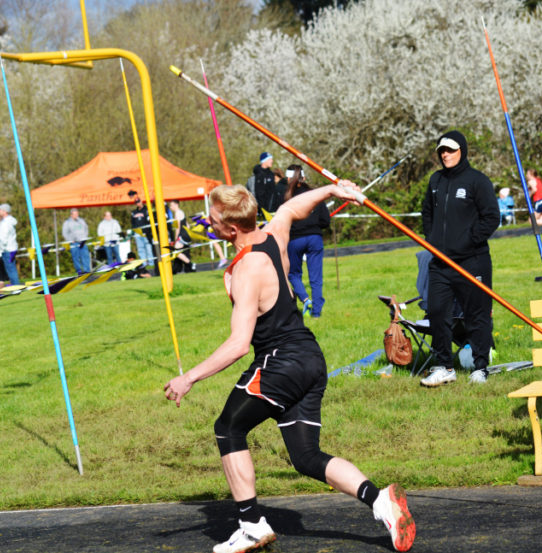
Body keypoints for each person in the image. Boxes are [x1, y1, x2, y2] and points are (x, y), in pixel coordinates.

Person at [163, 184, 415, 553]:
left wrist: (189, 377)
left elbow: (238, 344)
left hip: (281, 361)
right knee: (306, 457)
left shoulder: (248, 268)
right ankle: (381, 502)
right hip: (311, 358)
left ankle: (251, 525)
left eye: (212, 220)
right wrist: (333, 188)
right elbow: (292, 208)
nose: (208, 223)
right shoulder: (272, 234)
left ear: (230, 230)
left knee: (228, 427)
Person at [420, 131, 500, 387]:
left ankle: (480, 367)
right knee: (437, 312)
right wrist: (432, 241)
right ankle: (444, 366)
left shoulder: (478, 181)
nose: (446, 154)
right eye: (442, 151)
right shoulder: (435, 180)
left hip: (472, 261)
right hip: (441, 264)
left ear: (462, 151)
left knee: (477, 315)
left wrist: (467, 242)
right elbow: (427, 213)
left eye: (451, 150)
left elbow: (491, 217)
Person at [284, 165, 330, 318]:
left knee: (293, 274)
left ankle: (305, 299)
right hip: (314, 238)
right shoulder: (314, 194)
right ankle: (316, 313)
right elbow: (325, 221)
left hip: (294, 240)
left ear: (288, 179)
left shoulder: (286, 197)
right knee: (316, 278)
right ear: (304, 178)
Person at [0, 204, 20, 285]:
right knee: (11, 269)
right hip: (10, 248)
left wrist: (1, 247)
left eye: (0, 210)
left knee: (11, 270)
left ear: (5, 211)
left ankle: (16, 287)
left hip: (7, 249)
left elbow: (3, 238)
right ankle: (15, 286)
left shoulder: (6, 223)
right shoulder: (7, 222)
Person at [128, 190, 155, 268]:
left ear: (141, 201)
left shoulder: (147, 210)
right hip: (138, 233)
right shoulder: (134, 212)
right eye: (136, 202)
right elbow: (133, 223)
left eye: (139, 201)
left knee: (148, 247)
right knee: (140, 248)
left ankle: (151, 262)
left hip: (146, 232)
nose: (138, 203)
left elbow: (149, 220)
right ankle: (143, 263)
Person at [168, 200, 196, 273]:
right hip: (186, 235)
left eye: (171, 205)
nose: (170, 207)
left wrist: (176, 238)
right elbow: (188, 226)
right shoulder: (181, 212)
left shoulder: (177, 213)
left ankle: (190, 264)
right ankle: (179, 268)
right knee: (182, 252)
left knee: (175, 252)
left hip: (182, 235)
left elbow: (178, 227)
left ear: (176, 205)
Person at [62, 208, 91, 274]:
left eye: (77, 214)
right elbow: (65, 233)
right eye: (75, 214)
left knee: (85, 256)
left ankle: (87, 271)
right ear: (71, 215)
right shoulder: (67, 222)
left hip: (82, 242)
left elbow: (86, 228)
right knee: (76, 258)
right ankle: (79, 271)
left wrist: (85, 237)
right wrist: (70, 240)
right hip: (74, 243)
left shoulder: (81, 221)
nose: (76, 215)